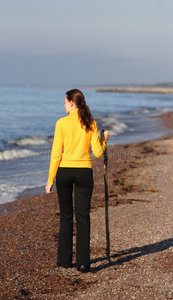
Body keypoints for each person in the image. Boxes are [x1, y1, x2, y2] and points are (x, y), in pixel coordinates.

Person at [45, 89, 109, 273]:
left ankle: (64, 261)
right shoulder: (91, 123)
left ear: (72, 103)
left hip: (64, 172)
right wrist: (103, 139)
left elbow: (56, 154)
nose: (63, 105)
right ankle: (83, 263)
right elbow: (97, 153)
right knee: (83, 217)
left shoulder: (61, 123)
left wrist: (50, 180)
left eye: (65, 102)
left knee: (66, 216)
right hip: (84, 172)